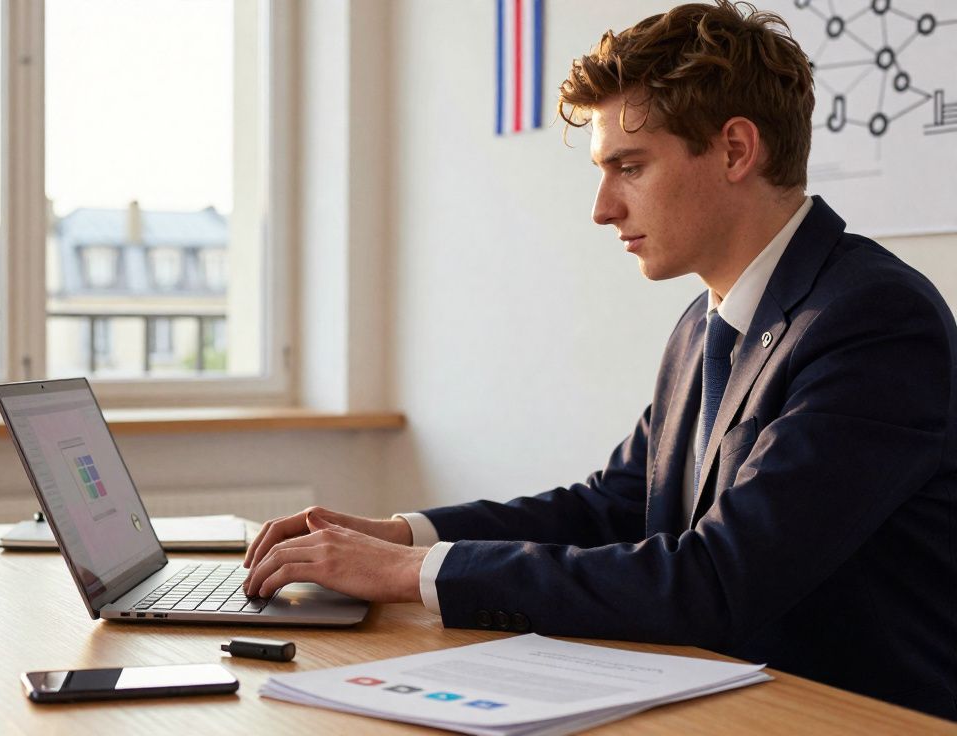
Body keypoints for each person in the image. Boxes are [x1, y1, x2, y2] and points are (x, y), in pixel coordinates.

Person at [241, 0, 957, 720]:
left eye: (630, 166)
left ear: (737, 150)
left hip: (849, 717)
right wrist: (403, 534)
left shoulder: (874, 322)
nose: (602, 207)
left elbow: (717, 579)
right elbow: (612, 508)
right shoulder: (704, 326)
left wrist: (410, 573)